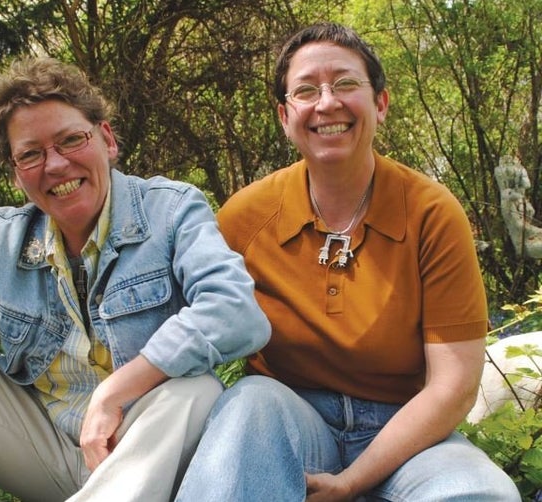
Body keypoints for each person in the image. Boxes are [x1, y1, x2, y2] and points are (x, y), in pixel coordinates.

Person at [0, 57, 270, 502]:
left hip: (144, 448)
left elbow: (236, 312)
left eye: (71, 140)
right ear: (17, 174)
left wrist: (116, 390)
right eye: (31, 154)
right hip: (46, 449)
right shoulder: (5, 242)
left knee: (194, 389)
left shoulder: (170, 211)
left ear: (107, 139)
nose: (55, 165)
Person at [174, 22, 520, 502]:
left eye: (345, 83)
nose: (327, 102)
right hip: (289, 419)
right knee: (249, 404)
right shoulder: (245, 218)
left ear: (380, 103)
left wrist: (352, 482)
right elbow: (189, 329)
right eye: (306, 90)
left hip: (407, 433)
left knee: (479, 494)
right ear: (284, 115)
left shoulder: (432, 214)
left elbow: (454, 387)